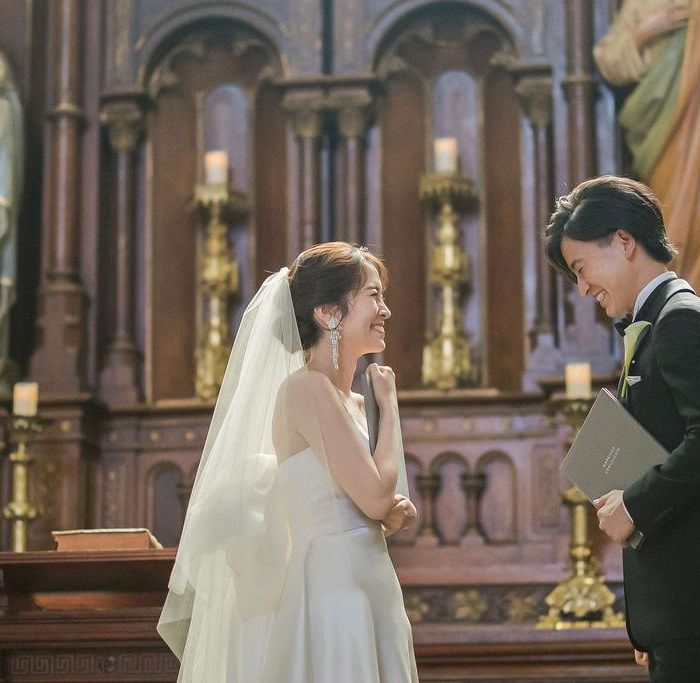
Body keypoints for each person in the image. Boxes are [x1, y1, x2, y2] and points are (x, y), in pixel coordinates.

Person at [158, 242, 419, 682]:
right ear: (328, 313)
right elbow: (377, 498)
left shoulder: (354, 401)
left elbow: (376, 501)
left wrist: (393, 509)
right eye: (373, 295)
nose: (385, 310)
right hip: (333, 587)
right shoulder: (307, 389)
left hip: (371, 578)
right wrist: (390, 407)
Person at [545, 175, 700, 681]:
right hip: (676, 610)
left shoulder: (679, 319)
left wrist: (633, 504)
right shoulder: (656, 320)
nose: (582, 288)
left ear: (624, 241)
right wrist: (654, 625)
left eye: (581, 268)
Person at [594, 1, 700, 289]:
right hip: (664, 132)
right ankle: (679, 296)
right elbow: (609, 61)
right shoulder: (642, 4)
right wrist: (645, 31)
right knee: (673, 218)